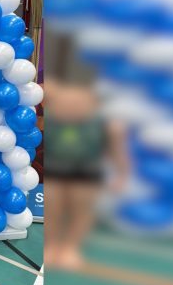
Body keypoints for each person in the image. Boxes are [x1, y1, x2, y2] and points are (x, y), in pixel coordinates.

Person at [44, 79, 128, 270]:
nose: (72, 106)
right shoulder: (52, 120)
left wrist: (122, 176)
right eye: (67, 102)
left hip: (86, 172)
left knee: (81, 211)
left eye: (78, 102)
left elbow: (117, 153)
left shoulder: (106, 125)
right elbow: (50, 86)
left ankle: (71, 248)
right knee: (53, 209)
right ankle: (52, 245)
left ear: (92, 104)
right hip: (55, 170)